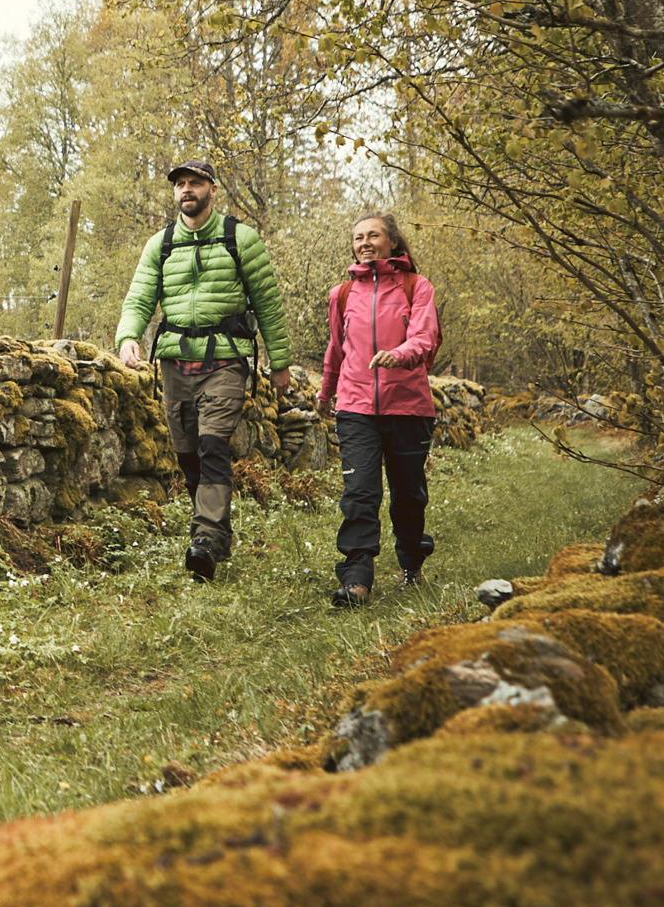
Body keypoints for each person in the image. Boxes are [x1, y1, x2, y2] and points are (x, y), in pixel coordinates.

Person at [114, 160, 292, 581]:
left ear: (212, 189)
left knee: (213, 445)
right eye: (180, 184)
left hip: (226, 359)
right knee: (188, 454)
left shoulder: (240, 239)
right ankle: (215, 532)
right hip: (176, 362)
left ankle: (206, 539)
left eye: (194, 183)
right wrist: (128, 337)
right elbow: (139, 296)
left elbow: (268, 303)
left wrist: (279, 362)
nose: (186, 190)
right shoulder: (161, 244)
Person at [313, 210, 441, 607]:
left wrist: (398, 356)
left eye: (373, 236)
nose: (364, 243)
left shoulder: (415, 287)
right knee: (359, 493)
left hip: (408, 407)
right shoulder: (343, 294)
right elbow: (337, 348)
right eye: (357, 238)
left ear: (392, 242)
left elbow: (426, 338)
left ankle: (411, 560)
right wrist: (325, 393)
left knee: (408, 494)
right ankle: (356, 579)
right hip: (355, 407)